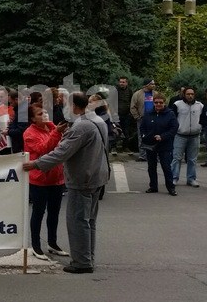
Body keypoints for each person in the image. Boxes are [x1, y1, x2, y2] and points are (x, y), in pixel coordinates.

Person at [23, 92, 110, 274]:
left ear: (74, 107)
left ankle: (81, 262)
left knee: (78, 221)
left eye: (65, 105)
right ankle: (87, 257)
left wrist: (35, 164)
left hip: (83, 178)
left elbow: (61, 153)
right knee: (88, 221)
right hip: (96, 176)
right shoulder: (97, 121)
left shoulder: (81, 126)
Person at [23, 103, 67, 260]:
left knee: (54, 213)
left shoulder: (51, 126)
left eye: (45, 112)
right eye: (40, 114)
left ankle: (52, 243)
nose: (45, 115)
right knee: (38, 212)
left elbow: (61, 147)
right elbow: (44, 149)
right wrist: (57, 132)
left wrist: (57, 131)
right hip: (40, 179)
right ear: (33, 118)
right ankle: (35, 245)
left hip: (56, 178)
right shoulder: (29, 133)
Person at [140, 93, 178, 196]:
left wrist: (163, 136)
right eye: (156, 102)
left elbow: (174, 128)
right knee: (151, 166)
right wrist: (145, 136)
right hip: (150, 144)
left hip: (165, 144)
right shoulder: (148, 113)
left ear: (164, 103)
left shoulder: (170, 114)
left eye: (160, 102)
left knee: (166, 167)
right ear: (153, 103)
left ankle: (171, 188)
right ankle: (153, 186)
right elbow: (142, 127)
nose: (158, 104)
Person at [170, 87, 202, 187]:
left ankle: (191, 179)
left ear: (194, 95)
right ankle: (174, 178)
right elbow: (172, 119)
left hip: (195, 136)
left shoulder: (200, 105)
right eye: (188, 94)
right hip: (180, 135)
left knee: (192, 159)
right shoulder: (177, 105)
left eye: (192, 94)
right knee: (177, 158)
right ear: (184, 94)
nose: (190, 96)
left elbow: (203, 119)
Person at [131, 80, 158, 161]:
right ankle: (142, 155)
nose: (154, 85)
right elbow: (133, 107)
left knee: (155, 135)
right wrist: (137, 117)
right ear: (146, 85)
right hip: (142, 119)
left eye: (154, 84)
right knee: (141, 136)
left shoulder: (156, 94)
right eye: (152, 84)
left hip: (154, 118)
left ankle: (154, 155)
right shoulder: (137, 94)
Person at [116, 77, 134, 153]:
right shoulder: (115, 91)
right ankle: (114, 147)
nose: (121, 83)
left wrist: (130, 112)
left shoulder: (129, 91)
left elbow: (132, 102)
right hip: (117, 114)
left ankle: (125, 147)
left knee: (126, 131)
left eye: (123, 82)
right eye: (120, 82)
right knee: (116, 131)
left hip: (126, 114)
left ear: (126, 83)